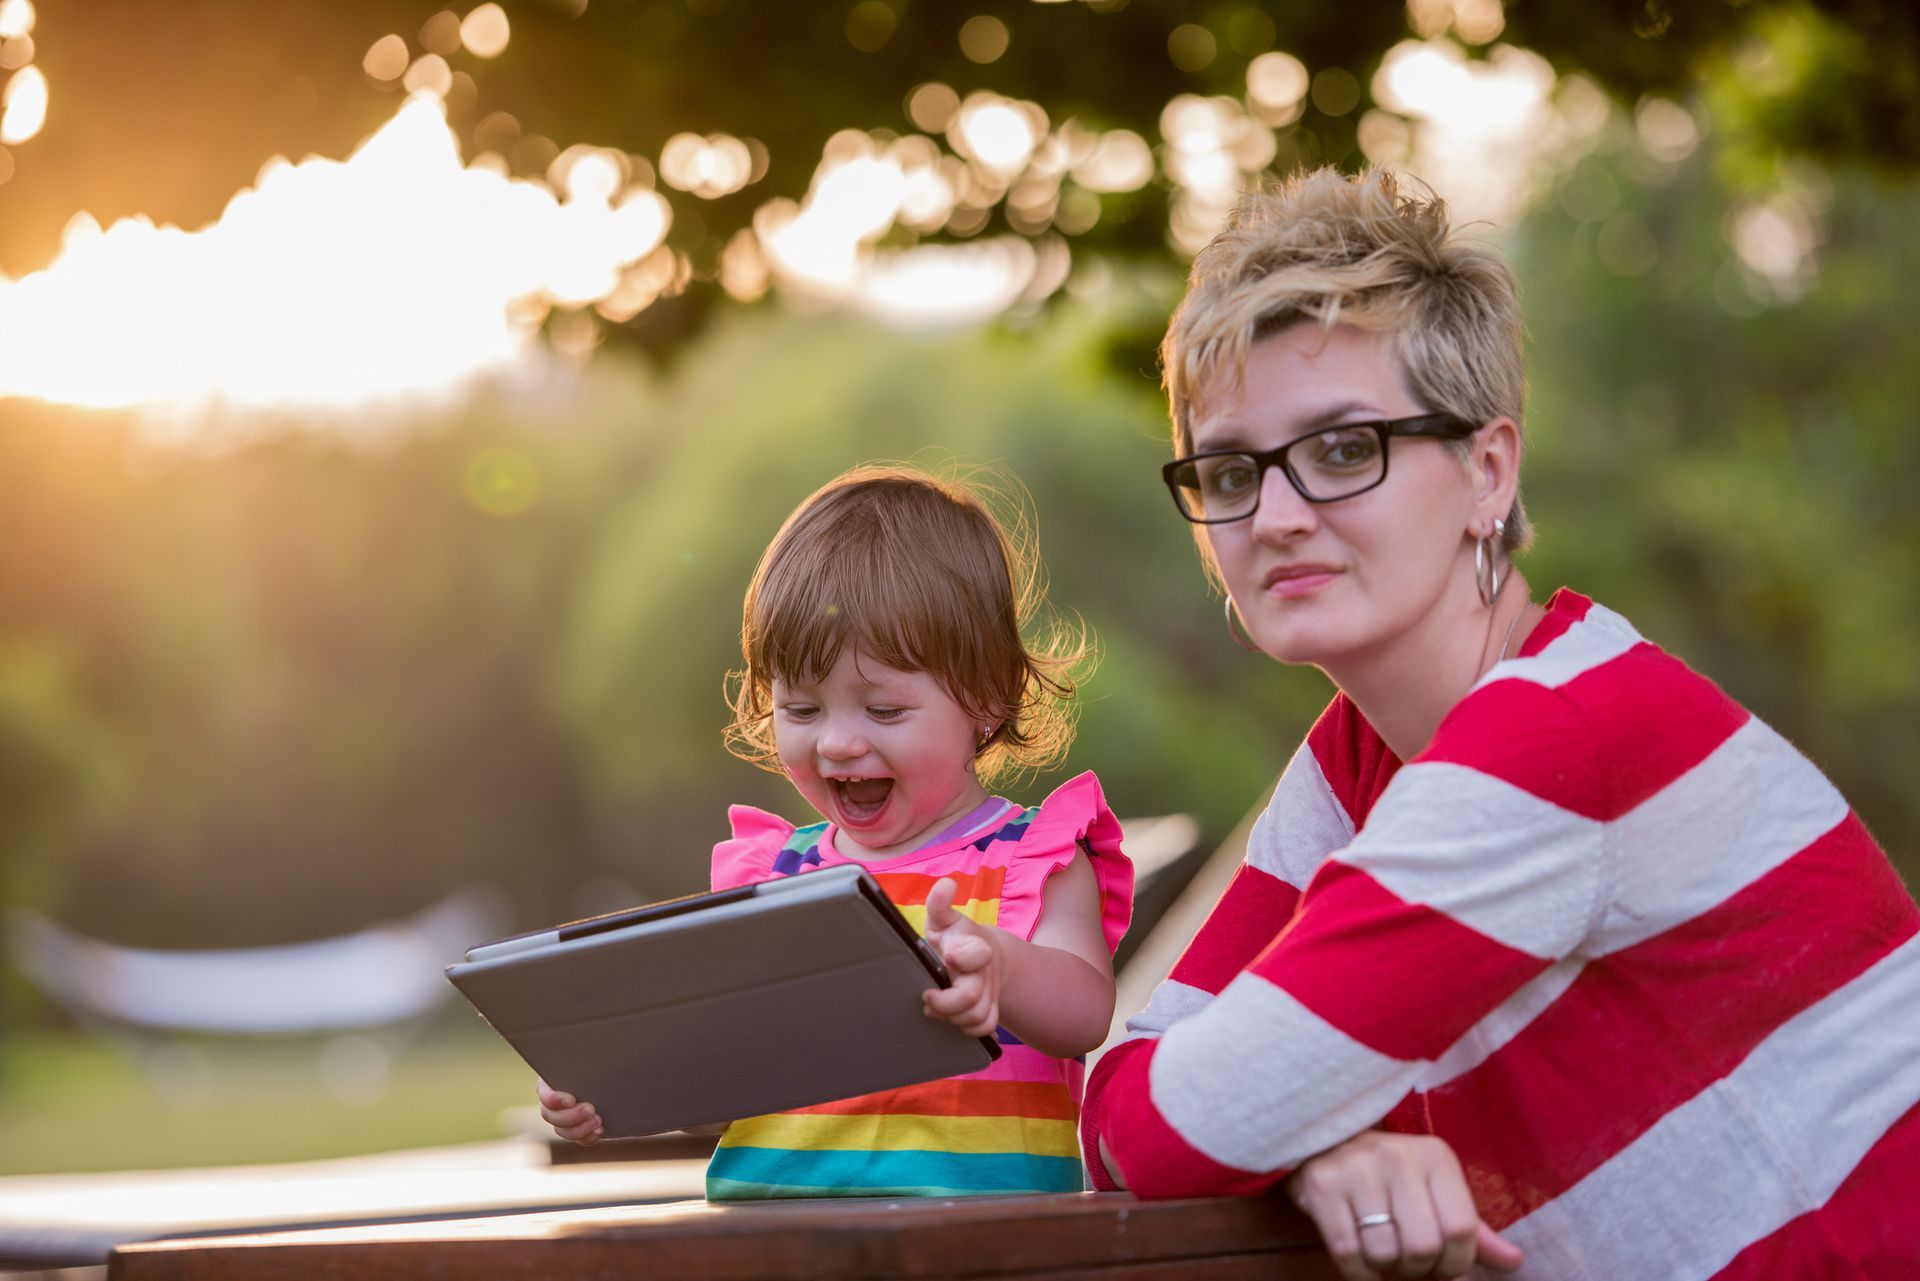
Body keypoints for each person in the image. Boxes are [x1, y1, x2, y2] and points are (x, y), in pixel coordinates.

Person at [1081, 166, 1920, 1281]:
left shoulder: (1557, 741)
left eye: (1343, 449)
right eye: (1232, 469)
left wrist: (1273, 1120)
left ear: (1488, 472)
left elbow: (1165, 1127)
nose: (1276, 518)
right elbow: (1120, 1102)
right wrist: (1318, 1147)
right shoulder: (1357, 762)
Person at [541, 463, 1134, 1200]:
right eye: (801, 709)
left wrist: (1001, 970)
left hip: (979, 1243)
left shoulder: (1029, 858)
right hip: (774, 1241)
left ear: (985, 698)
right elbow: (726, 1066)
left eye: (882, 710)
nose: (839, 744)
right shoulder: (772, 876)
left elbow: (1085, 1015)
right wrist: (618, 1084)